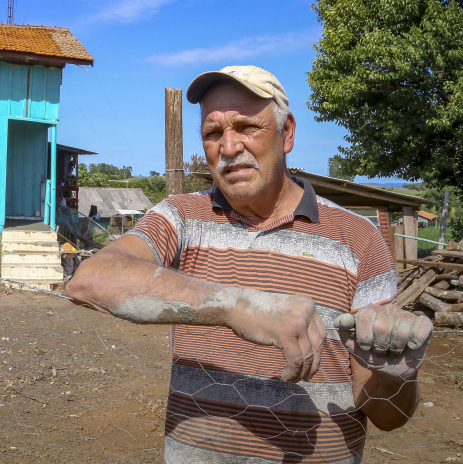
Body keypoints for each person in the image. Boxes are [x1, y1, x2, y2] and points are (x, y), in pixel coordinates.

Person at [65, 65, 432, 463]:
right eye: (213, 133)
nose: (229, 147)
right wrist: (236, 306)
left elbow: (388, 418)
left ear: (287, 133)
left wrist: (397, 377)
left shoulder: (358, 238)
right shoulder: (182, 218)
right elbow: (90, 280)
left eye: (246, 126)